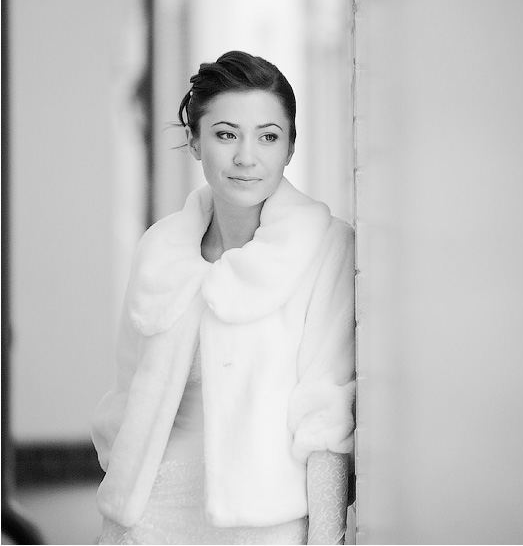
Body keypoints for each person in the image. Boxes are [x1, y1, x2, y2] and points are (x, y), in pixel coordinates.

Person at [91, 51, 355, 545]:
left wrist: (326, 538)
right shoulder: (160, 249)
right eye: (226, 134)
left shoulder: (326, 247)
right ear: (195, 141)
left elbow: (325, 412)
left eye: (268, 136)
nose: (246, 157)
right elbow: (126, 393)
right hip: (146, 515)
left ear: (291, 147)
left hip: (264, 524)